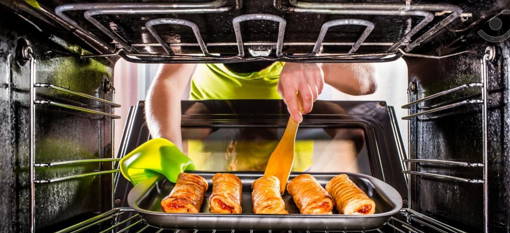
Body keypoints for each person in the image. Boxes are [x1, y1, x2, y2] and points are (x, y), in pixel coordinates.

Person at [145, 62, 377, 149]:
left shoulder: (303, 34)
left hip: (294, 173)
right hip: (211, 167)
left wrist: (315, 58)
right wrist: (166, 147)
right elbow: (167, 81)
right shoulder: (204, 27)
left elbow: (367, 82)